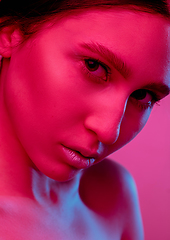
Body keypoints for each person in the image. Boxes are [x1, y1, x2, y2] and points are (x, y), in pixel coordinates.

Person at [0, 0, 169, 239]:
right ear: (10, 34)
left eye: (142, 95)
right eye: (94, 66)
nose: (109, 131)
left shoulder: (113, 193)